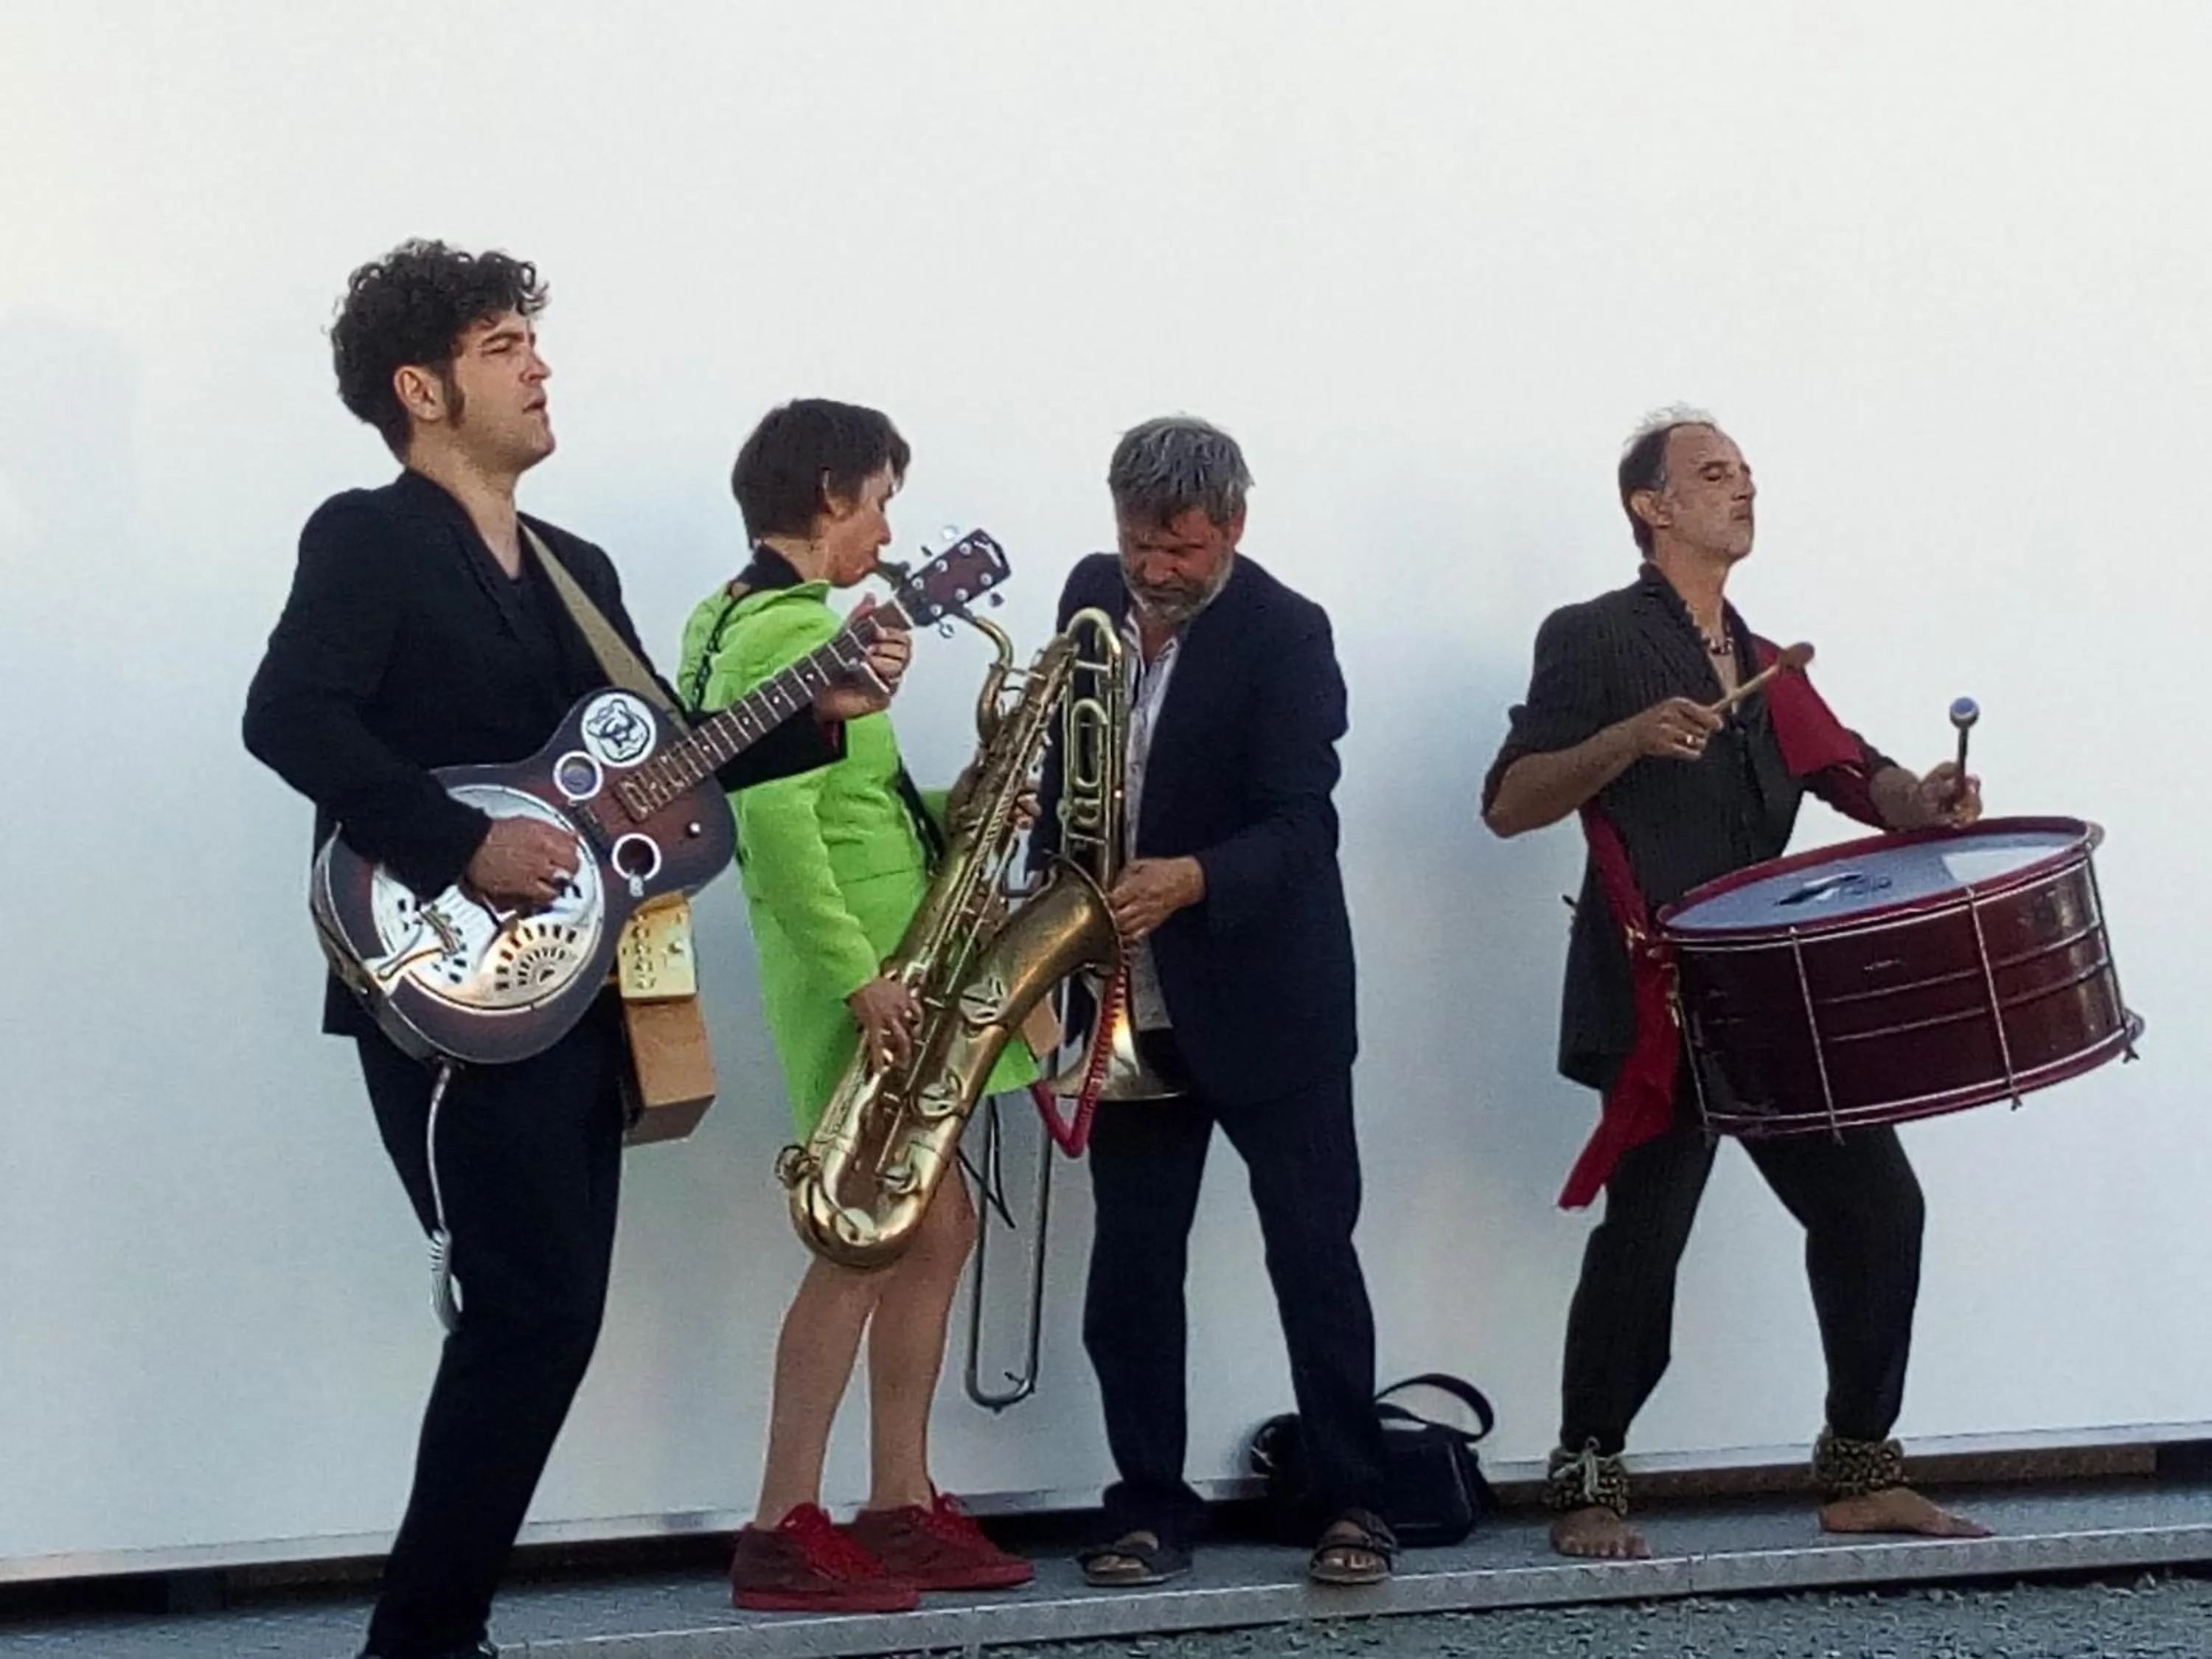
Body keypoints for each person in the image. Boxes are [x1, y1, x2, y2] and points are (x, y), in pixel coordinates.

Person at [241, 244, 906, 1659]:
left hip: (573, 988)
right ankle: (422, 1639)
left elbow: (669, 765)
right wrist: (455, 842)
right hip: (443, 985)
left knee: (547, 1315)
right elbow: (290, 715)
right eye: (501, 345)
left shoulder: (576, 569)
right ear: (420, 389)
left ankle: (436, 1631)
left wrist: (822, 708)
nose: (539, 365)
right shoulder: (367, 537)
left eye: (531, 340)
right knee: (525, 1310)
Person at [1481, 407, 1991, 1562]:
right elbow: (1510, 798)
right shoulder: (1595, 635)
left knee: (1876, 1209)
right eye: (1713, 473)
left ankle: (1861, 1466)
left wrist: (1930, 798)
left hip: (1767, 997)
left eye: (1748, 470)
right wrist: (1623, 740)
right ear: (1649, 508)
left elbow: (1856, 771)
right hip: (1653, 986)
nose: (1742, 486)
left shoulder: (1762, 663)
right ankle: (1589, 1474)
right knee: (1648, 1232)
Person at [678, 399, 1037, 1614]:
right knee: (864, 1233)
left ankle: (896, 1496)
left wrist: (969, 798)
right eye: (881, 496)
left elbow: (846, 803)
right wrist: (857, 972)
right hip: (874, 974)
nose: (889, 528)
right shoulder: (786, 632)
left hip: (896, 955)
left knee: (933, 1230)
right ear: (832, 492)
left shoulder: (742, 618)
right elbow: (773, 822)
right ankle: (783, 1519)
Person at [1033, 416, 1395, 1590]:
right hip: (1123, 989)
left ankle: (1352, 1497)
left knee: (1312, 1254)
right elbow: (1063, 772)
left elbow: (1304, 822)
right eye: (1139, 540)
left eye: (1180, 546)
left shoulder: (1290, 634)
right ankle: (1146, 1503)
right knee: (1131, 1270)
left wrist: (1191, 879)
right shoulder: (1090, 595)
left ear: (1234, 526)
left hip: (1264, 995)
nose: (1153, 567)